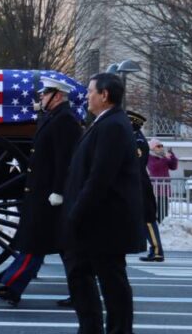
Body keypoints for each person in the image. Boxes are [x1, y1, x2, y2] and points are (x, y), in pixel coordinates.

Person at [0, 76, 82, 306]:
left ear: (58, 96)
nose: (41, 97)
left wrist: (59, 191)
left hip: (50, 195)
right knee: (64, 248)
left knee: (36, 243)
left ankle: (11, 286)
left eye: (45, 93)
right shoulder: (54, 118)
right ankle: (80, 292)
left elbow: (65, 160)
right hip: (43, 191)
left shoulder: (65, 120)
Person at [60, 72, 145, 334]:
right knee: (79, 272)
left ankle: (118, 330)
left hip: (104, 222)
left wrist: (77, 212)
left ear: (104, 95)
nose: (87, 96)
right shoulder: (105, 123)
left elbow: (100, 176)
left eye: (90, 91)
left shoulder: (113, 126)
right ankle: (90, 328)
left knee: (112, 282)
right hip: (95, 221)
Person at [128, 111, 165, 263]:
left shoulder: (138, 141)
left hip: (139, 183)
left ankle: (157, 251)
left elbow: (134, 163)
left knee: (148, 219)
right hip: (138, 182)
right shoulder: (136, 139)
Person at [147, 138, 178, 220]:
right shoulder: (150, 157)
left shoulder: (163, 157)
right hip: (155, 188)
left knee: (164, 209)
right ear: (152, 148)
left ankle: (163, 222)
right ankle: (156, 223)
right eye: (158, 146)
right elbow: (154, 167)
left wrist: (172, 156)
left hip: (164, 187)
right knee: (156, 209)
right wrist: (164, 158)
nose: (161, 148)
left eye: (161, 146)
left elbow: (173, 167)